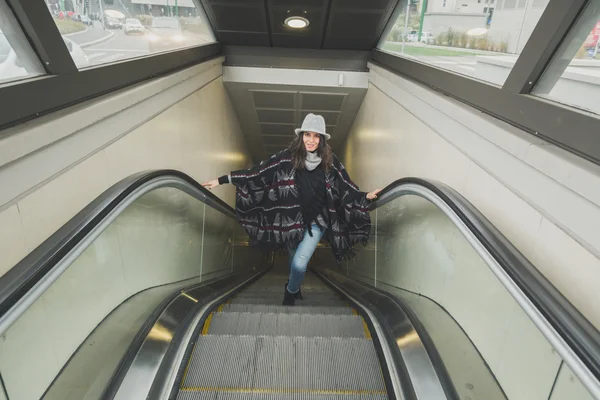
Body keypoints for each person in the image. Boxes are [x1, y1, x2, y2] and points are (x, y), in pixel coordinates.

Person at [202, 114, 382, 306]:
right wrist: (223, 180)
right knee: (292, 259)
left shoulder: (330, 161)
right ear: (301, 136)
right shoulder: (287, 157)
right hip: (290, 221)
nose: (311, 140)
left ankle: (291, 290)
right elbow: (258, 172)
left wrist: (364, 196)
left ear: (321, 139)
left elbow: (345, 184)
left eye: (316, 136)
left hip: (317, 222)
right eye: (307, 135)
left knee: (299, 263)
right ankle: (294, 284)